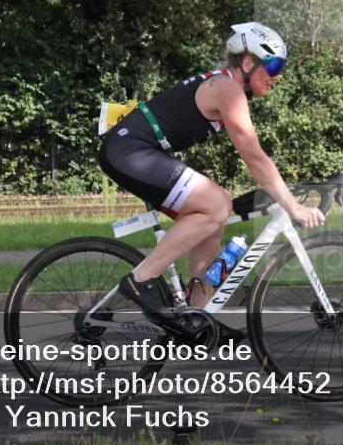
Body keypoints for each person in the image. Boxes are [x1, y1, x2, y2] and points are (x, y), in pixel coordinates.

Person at [97, 22, 325, 338]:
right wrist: (293, 206)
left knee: (212, 220)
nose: (276, 75)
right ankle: (142, 279)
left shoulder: (225, 87)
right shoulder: (228, 89)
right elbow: (255, 157)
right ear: (248, 62)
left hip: (133, 151)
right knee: (215, 204)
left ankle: (197, 319)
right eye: (273, 64)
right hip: (129, 151)